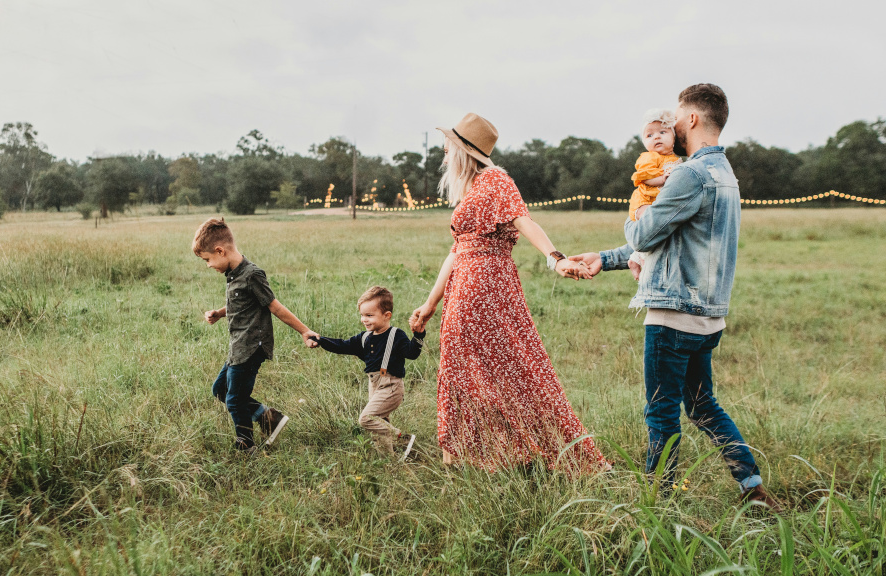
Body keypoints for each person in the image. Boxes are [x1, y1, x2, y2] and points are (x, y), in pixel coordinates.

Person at [570, 84, 780, 509]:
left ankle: (657, 502)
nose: (673, 125)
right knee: (704, 407)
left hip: (672, 315)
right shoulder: (725, 174)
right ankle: (752, 488)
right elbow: (672, 239)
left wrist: (638, 215)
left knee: (661, 413)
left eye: (678, 117)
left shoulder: (689, 173)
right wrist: (606, 258)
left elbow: (646, 232)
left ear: (694, 120)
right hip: (708, 318)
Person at [409, 112, 608, 473]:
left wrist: (555, 258)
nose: (443, 151)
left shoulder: (496, 180)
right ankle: (470, 455)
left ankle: (540, 451)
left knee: (513, 368)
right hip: (464, 286)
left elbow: (524, 220)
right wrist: (429, 304)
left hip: (485, 286)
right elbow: (456, 252)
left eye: (448, 145)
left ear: (463, 150)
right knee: (464, 368)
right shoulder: (471, 189)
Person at [193, 217, 319, 452]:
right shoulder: (232, 274)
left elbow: (275, 307)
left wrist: (305, 331)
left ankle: (246, 445)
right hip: (238, 346)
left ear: (220, 251)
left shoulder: (252, 274)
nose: (208, 265)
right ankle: (268, 418)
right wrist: (220, 313)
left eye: (208, 259)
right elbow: (240, 304)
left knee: (234, 399)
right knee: (220, 390)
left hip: (251, 347)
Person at [310, 286, 423, 460]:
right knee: (379, 425)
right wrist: (320, 340)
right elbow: (342, 345)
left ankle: (402, 438)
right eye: (362, 315)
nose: (364, 319)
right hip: (374, 386)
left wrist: (418, 335)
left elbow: (412, 354)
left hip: (391, 387)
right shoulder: (364, 338)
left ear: (387, 316)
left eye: (369, 315)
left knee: (367, 419)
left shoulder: (396, 335)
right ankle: (389, 460)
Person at [627, 109, 682, 281]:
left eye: (662, 132)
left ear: (674, 137)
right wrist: (661, 179)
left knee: (659, 229)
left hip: (657, 201)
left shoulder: (675, 159)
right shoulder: (650, 157)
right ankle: (641, 259)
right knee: (650, 224)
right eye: (649, 135)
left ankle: (636, 257)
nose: (656, 137)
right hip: (645, 200)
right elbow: (643, 177)